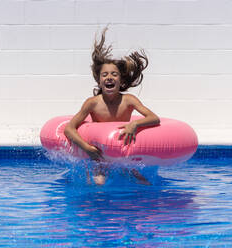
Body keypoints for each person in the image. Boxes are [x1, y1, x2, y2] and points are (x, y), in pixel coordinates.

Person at [64, 28, 160, 185]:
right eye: (105, 75)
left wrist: (134, 124)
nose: (109, 77)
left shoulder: (129, 100)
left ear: (121, 81)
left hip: (121, 153)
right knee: (99, 182)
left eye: (114, 74)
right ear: (99, 81)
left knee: (144, 183)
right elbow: (69, 129)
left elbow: (154, 118)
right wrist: (87, 148)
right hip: (99, 154)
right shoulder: (92, 103)